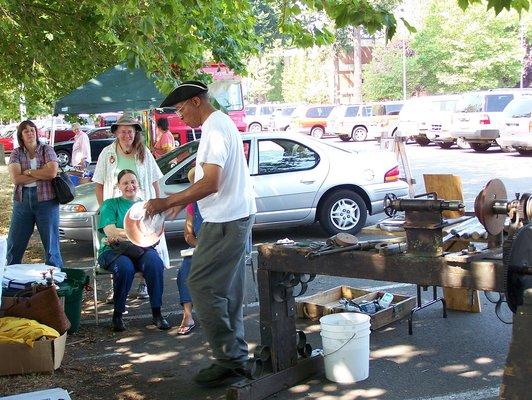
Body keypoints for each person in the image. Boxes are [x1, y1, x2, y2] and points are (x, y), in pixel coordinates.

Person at [145, 81, 256, 387]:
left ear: (196, 101)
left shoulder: (215, 128)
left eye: (181, 109)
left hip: (227, 219)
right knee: (228, 290)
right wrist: (184, 202)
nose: (181, 117)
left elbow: (211, 182)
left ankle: (229, 358)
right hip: (232, 215)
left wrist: (167, 201)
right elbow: (206, 181)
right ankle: (236, 358)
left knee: (201, 285)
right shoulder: (217, 124)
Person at [93, 114, 170, 299]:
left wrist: (157, 206)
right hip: (116, 208)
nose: (127, 135)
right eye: (123, 131)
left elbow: (155, 182)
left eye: (130, 131)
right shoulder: (107, 153)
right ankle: (117, 285)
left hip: (142, 209)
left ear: (136, 133)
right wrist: (106, 210)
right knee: (117, 247)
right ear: (117, 132)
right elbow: (99, 185)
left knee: (145, 245)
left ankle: (144, 284)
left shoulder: (144, 152)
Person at [97, 169, 170, 332]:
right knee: (124, 268)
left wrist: (126, 234)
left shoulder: (145, 206)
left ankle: (157, 313)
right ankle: (118, 314)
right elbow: (110, 232)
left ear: (138, 184)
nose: (130, 186)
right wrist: (138, 234)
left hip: (141, 248)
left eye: (133, 182)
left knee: (155, 263)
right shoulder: (110, 204)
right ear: (119, 186)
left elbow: (155, 231)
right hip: (114, 250)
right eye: (125, 183)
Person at [6, 120, 63, 268]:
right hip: (22, 201)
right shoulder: (16, 153)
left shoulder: (47, 150)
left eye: (32, 130)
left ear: (36, 133)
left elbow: (52, 172)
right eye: (26, 131)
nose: (30, 133)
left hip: (47, 201)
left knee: (52, 247)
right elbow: (16, 179)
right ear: (21, 135)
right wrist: (41, 173)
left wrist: (30, 172)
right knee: (14, 244)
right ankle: (9, 282)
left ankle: (56, 284)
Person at [176, 167, 200, 336]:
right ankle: (188, 315)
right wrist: (197, 244)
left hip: (219, 249)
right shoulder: (193, 205)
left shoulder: (220, 203)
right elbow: (188, 234)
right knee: (184, 270)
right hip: (200, 249)